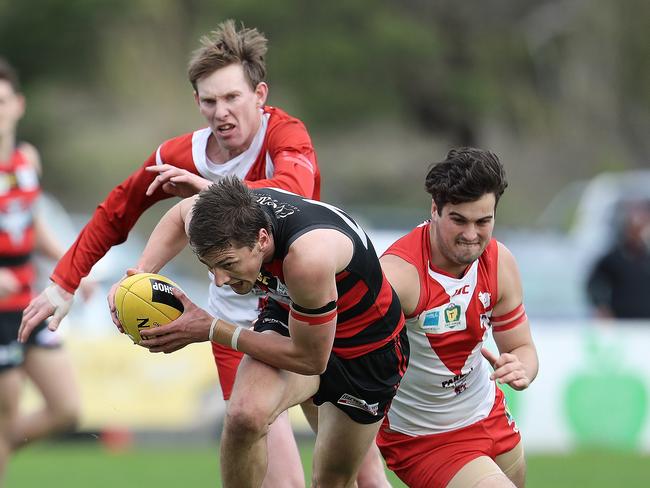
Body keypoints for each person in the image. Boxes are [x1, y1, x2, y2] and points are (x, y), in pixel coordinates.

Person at [18, 20, 320, 487]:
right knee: (279, 476)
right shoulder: (181, 153)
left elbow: (293, 193)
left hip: (311, 312)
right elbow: (118, 209)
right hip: (237, 321)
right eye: (209, 101)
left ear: (260, 94)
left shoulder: (286, 136)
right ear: (196, 102)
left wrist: (210, 190)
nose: (221, 112)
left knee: (355, 472)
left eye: (232, 97)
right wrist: (64, 283)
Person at [126, 177, 409, 487]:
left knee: (334, 480)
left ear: (262, 240)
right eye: (209, 266)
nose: (219, 280)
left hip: (367, 348)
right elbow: (182, 212)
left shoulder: (307, 258)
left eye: (227, 263)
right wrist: (138, 279)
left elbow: (312, 361)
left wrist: (212, 329)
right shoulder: (227, 217)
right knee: (244, 417)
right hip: (295, 314)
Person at [376, 148, 539, 488]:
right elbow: (346, 361)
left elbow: (523, 347)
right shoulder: (399, 277)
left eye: (483, 222)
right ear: (434, 210)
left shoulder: (499, 262)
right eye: (459, 220)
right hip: (424, 437)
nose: (471, 235)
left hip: (488, 413)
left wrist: (522, 366)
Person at [0, 57, 83, 481]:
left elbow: (32, 225)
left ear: (18, 104)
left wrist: (74, 267)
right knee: (6, 414)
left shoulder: (26, 159)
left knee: (66, 408)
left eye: (1, 101)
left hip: (27, 301)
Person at [586, 200, 650, 319]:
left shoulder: (646, 258)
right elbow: (594, 284)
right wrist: (601, 307)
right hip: (622, 323)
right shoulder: (613, 259)